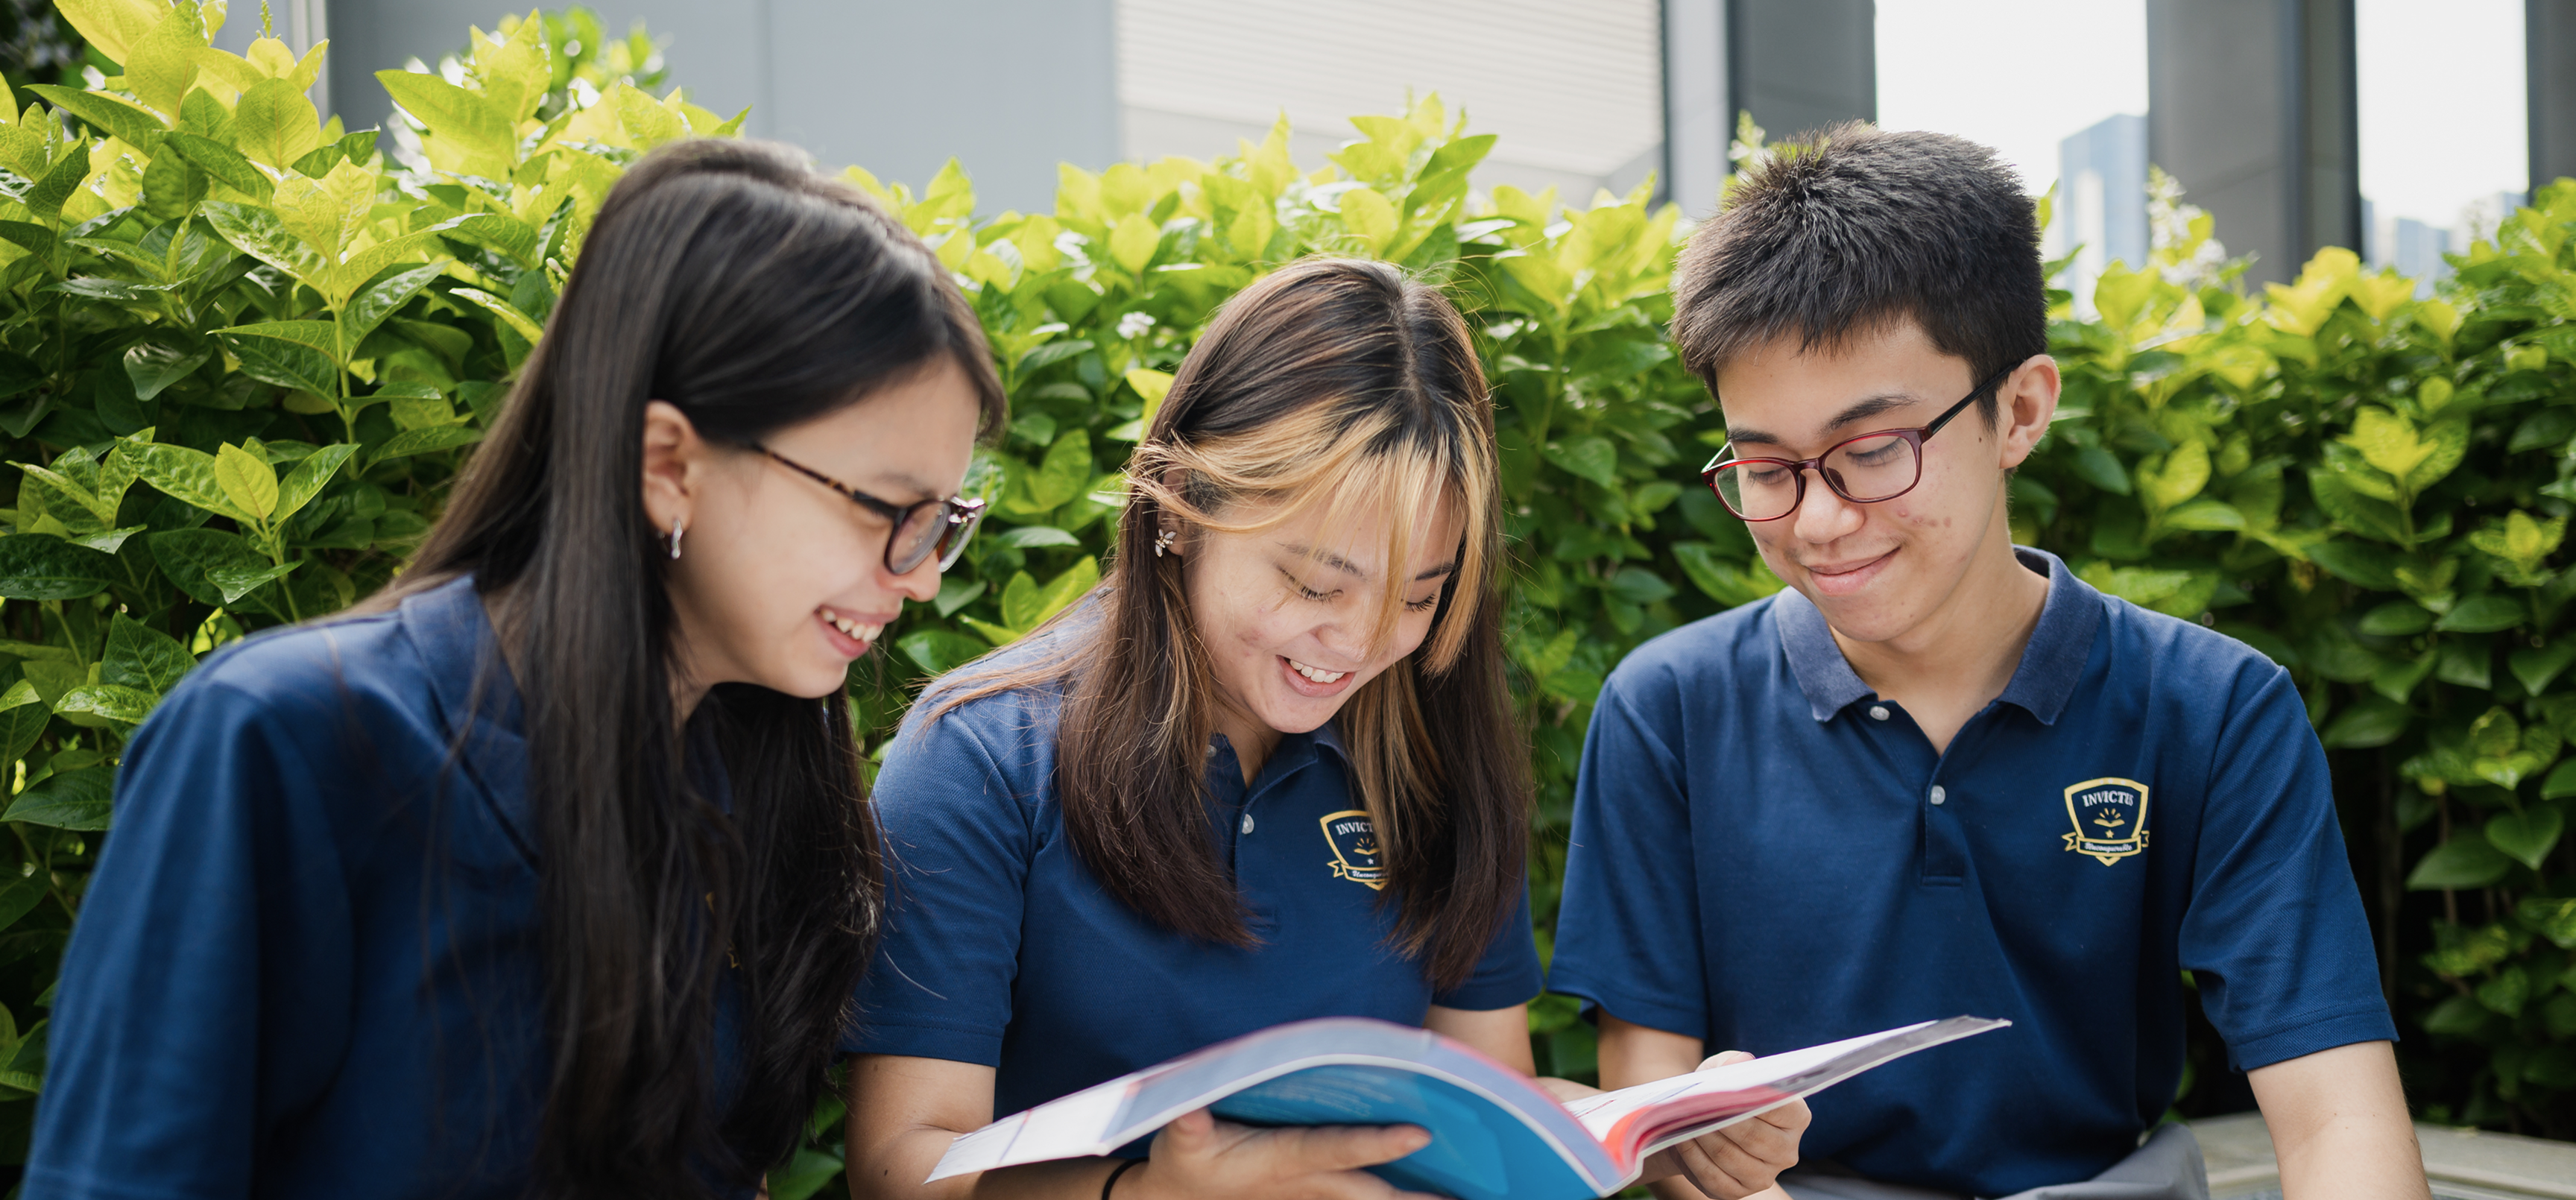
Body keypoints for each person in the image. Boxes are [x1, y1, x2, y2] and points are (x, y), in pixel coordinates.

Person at [25, 139, 1006, 1200]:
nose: (918, 580)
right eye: (886, 511)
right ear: (669, 463)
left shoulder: (741, 772)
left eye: (943, 522)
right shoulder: (285, 742)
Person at [1547, 124, 2432, 1200]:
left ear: (2020, 410)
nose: (1819, 520)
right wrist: (1712, 1139)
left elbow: (2339, 1114)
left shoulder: (2213, 709)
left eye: (1873, 451)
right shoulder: (1669, 709)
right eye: (1766, 465)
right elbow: (1654, 1086)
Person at [840, 257, 1807, 1200]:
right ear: (1180, 510)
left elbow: (1484, 1102)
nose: (1353, 644)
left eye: (1418, 596)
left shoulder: (1434, 759)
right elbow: (901, 1161)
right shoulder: (980, 754)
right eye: (1313, 583)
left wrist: (1663, 1128)